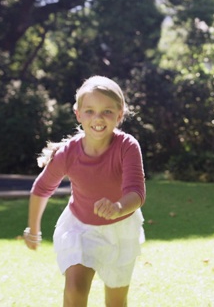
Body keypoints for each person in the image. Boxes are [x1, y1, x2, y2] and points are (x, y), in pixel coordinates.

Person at [23, 75, 146, 307]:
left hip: (120, 230)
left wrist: (118, 207)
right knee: (75, 290)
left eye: (107, 111)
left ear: (119, 116)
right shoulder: (68, 153)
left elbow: (137, 193)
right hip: (80, 228)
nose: (98, 118)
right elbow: (41, 189)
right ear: (78, 114)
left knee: (116, 302)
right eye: (89, 111)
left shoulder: (128, 147)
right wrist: (33, 228)